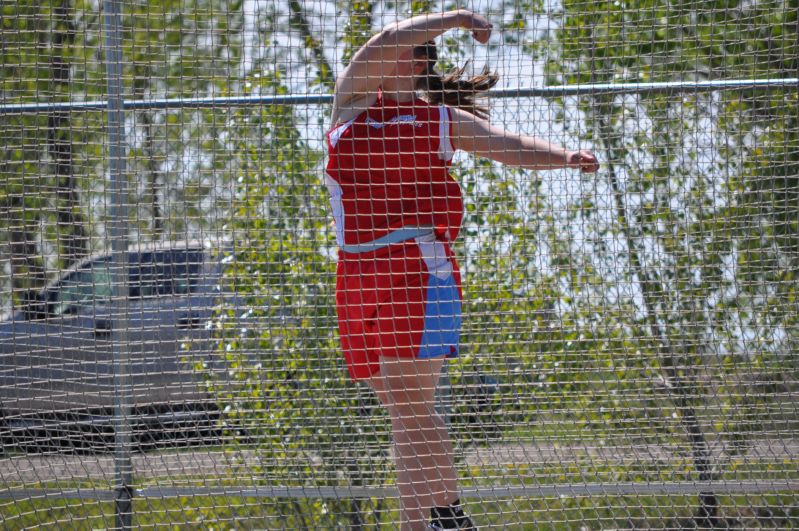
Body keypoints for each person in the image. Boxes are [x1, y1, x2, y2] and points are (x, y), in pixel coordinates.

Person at [325, 10, 599, 530]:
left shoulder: (442, 121)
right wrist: (454, 18)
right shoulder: (352, 104)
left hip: (414, 269)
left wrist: (566, 156)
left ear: (412, 62)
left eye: (402, 47)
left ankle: (445, 517)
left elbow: (511, 148)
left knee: (409, 407)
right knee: (404, 414)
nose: (378, 52)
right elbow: (384, 37)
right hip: (356, 273)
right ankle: (430, 522)